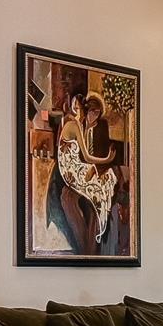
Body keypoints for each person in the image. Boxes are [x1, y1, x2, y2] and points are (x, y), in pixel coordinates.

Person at [56, 94, 119, 243]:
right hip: (72, 169)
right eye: (89, 111)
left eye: (96, 112)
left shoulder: (100, 126)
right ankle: (90, 240)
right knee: (96, 189)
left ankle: (95, 237)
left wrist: (99, 167)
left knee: (108, 179)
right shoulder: (76, 124)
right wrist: (104, 161)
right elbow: (84, 155)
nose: (92, 115)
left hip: (87, 165)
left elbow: (98, 150)